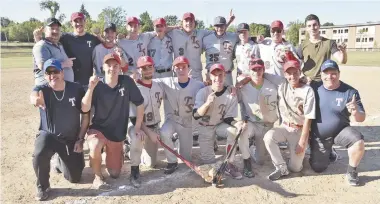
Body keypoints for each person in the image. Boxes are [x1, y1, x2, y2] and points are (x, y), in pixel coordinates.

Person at [81, 53, 145, 189]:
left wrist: (138, 127)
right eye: (108, 65)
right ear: (103, 67)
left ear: (120, 67)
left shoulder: (126, 82)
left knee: (115, 173)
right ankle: (98, 177)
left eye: (115, 65)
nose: (112, 68)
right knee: (95, 145)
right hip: (99, 128)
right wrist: (90, 88)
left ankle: (114, 152)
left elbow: (140, 103)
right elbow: (84, 107)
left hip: (117, 133)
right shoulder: (97, 84)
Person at [30, 59, 89, 201]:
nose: (52, 75)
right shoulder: (42, 89)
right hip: (49, 136)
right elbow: (33, 95)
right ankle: (43, 186)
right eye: (49, 73)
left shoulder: (76, 88)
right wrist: (34, 100)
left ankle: (59, 160)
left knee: (75, 178)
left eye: (55, 71)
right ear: (45, 76)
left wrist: (80, 139)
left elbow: (86, 115)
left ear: (62, 73)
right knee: (39, 153)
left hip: (70, 138)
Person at [309, 60, 365, 186]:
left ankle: (352, 172)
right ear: (321, 75)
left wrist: (355, 111)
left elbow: (361, 118)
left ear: (339, 74)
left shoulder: (350, 92)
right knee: (318, 168)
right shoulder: (313, 88)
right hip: (319, 135)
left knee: (358, 142)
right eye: (326, 73)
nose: (330, 77)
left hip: (341, 131)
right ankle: (330, 152)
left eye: (333, 73)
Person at [263, 60, 316, 181]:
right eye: (289, 73)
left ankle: (296, 157)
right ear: (284, 74)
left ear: (300, 72)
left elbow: (309, 118)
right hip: (285, 127)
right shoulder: (282, 83)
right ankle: (281, 167)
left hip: (299, 129)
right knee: (269, 137)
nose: (292, 76)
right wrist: (244, 80)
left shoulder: (308, 90)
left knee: (296, 168)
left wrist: (302, 142)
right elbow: (262, 74)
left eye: (295, 72)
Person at [193, 63, 246, 179]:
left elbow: (228, 118)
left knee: (234, 131)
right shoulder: (203, 92)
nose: (218, 78)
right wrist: (207, 104)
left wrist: (237, 123)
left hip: (219, 125)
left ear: (225, 76)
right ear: (210, 77)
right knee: (210, 164)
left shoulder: (231, 94)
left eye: (220, 75)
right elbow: (196, 115)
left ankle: (229, 164)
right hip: (204, 127)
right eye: (214, 75)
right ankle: (213, 157)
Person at [127, 56, 167, 188]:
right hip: (137, 126)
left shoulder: (158, 85)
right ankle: (134, 171)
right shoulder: (134, 87)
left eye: (150, 67)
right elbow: (134, 118)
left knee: (151, 164)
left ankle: (134, 152)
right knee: (137, 137)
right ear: (139, 70)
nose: (148, 70)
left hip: (154, 126)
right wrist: (148, 132)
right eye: (144, 68)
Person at [34, 12, 102, 88]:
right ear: (71, 23)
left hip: (87, 83)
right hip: (68, 84)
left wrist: (101, 38)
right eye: (76, 21)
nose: (79, 23)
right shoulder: (65, 38)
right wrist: (38, 39)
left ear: (85, 22)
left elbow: (105, 46)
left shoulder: (93, 39)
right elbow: (47, 42)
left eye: (81, 21)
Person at [237, 58, 278, 178]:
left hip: (267, 125)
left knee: (260, 161)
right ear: (249, 72)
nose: (256, 72)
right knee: (241, 131)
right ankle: (246, 162)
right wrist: (240, 120)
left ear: (263, 69)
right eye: (253, 70)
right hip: (252, 123)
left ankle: (252, 147)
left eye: (259, 69)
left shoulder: (272, 87)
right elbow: (235, 102)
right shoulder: (243, 88)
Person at [159, 56, 205, 163]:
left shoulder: (199, 85)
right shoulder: (166, 82)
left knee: (185, 159)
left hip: (188, 123)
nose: (181, 70)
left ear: (189, 68)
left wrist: (230, 88)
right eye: (177, 67)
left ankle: (179, 144)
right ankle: (171, 161)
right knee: (164, 132)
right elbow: (149, 82)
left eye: (183, 67)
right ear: (173, 69)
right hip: (173, 120)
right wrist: (136, 78)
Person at [167, 12, 234, 82]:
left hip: (196, 74)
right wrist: (175, 27)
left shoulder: (201, 33)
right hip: (179, 73)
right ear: (182, 22)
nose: (188, 23)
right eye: (186, 21)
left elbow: (218, 30)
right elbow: (160, 30)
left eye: (191, 21)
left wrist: (229, 22)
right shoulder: (174, 33)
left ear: (194, 23)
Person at [297, 14, 347, 82]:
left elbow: (342, 60)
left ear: (319, 25)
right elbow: (296, 66)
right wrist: (302, 76)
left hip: (324, 82)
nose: (312, 28)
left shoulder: (329, 43)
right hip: (307, 82)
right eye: (309, 26)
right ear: (306, 28)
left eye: (315, 25)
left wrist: (343, 51)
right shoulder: (302, 46)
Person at [32, 18, 75, 85]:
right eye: (52, 28)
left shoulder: (59, 45)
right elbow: (43, 67)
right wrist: (64, 64)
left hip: (59, 88)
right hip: (47, 89)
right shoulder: (41, 45)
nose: (55, 31)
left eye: (57, 29)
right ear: (45, 30)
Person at [203, 16, 239, 86]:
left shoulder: (233, 37)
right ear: (214, 26)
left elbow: (244, 37)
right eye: (217, 26)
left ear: (225, 26)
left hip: (227, 74)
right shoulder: (206, 39)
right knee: (211, 96)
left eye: (222, 25)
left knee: (228, 96)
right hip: (212, 75)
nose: (219, 28)